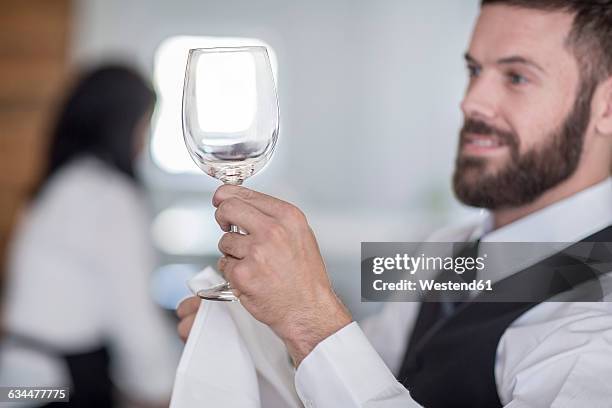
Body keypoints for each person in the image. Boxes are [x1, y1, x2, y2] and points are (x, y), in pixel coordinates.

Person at [177, 1, 612, 406]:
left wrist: (311, 320)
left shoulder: (600, 326)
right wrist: (254, 346)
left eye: (516, 77)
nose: (471, 101)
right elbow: (363, 381)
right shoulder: (446, 250)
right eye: (474, 70)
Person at [0, 66, 179, 407]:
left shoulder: (62, 184)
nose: (145, 140)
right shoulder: (107, 195)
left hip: (20, 377)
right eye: (145, 126)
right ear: (120, 125)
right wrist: (165, 391)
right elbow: (133, 315)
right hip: (57, 385)